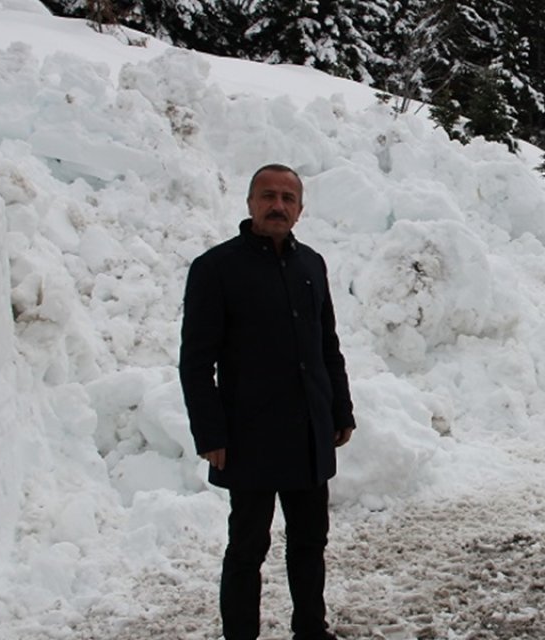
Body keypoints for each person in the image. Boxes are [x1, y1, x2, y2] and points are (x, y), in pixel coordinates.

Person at [179, 163, 355, 640]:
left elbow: (327, 345)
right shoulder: (215, 268)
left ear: (300, 210)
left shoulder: (311, 264)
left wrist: (340, 409)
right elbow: (196, 363)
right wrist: (210, 433)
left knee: (309, 543)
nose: (278, 205)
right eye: (267, 196)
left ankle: (310, 631)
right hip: (249, 435)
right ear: (250, 203)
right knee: (246, 548)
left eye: (288, 198)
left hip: (308, 432)